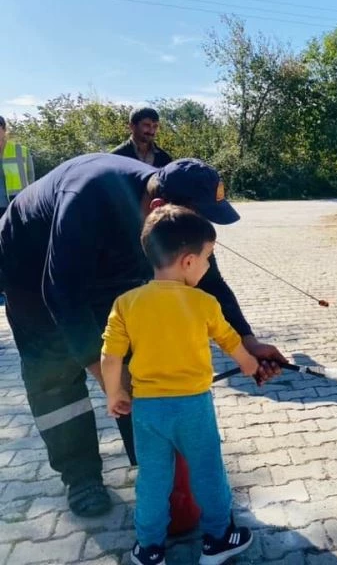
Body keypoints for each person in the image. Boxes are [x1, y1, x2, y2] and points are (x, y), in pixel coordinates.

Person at [0, 153, 284, 518]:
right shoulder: (87, 198)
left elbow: (209, 282)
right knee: (54, 371)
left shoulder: (172, 215)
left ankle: (154, 467)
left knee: (140, 362)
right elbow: (61, 292)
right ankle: (81, 476)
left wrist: (248, 340)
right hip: (29, 264)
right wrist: (104, 373)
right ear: (160, 208)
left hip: (98, 263)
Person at [102, 205, 257, 565]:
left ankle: (149, 548)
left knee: (153, 480)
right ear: (188, 261)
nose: (207, 265)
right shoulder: (204, 302)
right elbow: (231, 342)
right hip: (193, 408)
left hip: (147, 410)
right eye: (208, 257)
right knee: (208, 472)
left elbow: (110, 358)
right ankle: (218, 539)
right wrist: (250, 366)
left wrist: (116, 394)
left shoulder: (126, 303)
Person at [0, 114, 36, 218]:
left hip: (18, 202)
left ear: (4, 129)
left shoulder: (21, 150)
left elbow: (31, 177)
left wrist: (31, 199)